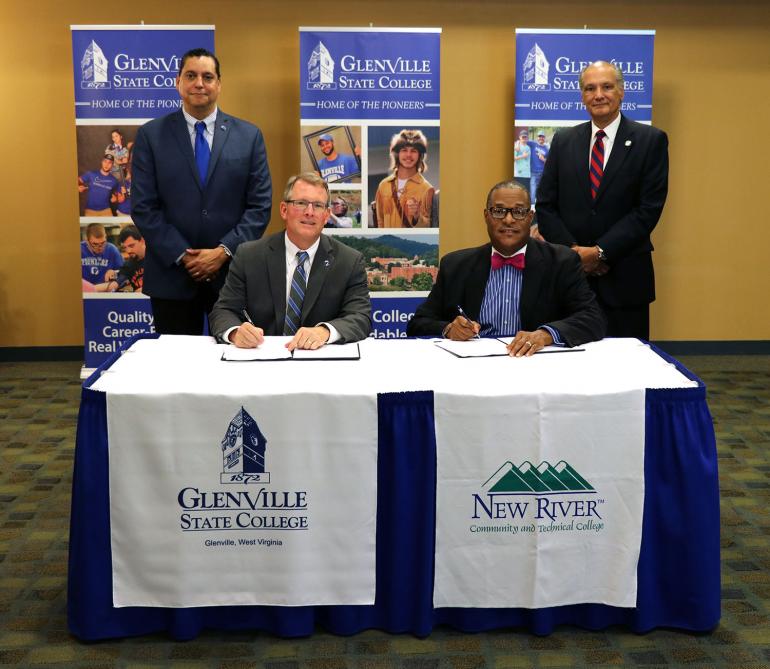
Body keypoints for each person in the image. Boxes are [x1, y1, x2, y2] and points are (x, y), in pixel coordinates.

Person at [131, 47, 272, 335]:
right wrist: (184, 255)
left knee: (235, 365)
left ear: (219, 84)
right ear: (178, 82)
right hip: (172, 275)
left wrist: (222, 252)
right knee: (177, 371)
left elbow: (259, 207)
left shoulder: (249, 136)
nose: (199, 83)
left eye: (208, 77)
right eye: (191, 75)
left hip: (232, 274)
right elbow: (144, 207)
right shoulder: (151, 135)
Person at [536, 60, 668, 340]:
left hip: (624, 279)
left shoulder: (650, 140)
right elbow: (546, 205)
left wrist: (599, 252)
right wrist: (574, 253)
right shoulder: (563, 140)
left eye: (607, 87)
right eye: (590, 88)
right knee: (568, 363)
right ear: (582, 96)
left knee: (626, 368)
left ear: (621, 91)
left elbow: (648, 209)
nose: (598, 95)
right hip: (569, 278)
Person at [406, 180, 605, 355]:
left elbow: (592, 319)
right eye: (499, 211)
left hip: (536, 368)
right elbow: (418, 323)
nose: (508, 220)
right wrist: (449, 329)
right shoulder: (456, 265)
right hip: (472, 371)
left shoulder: (562, 261)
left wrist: (545, 335)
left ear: (530, 217)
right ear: (486, 216)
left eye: (518, 212)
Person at [209, 173, 372, 351]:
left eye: (317, 206)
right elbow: (223, 311)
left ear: (326, 216)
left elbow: (360, 317)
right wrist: (235, 332)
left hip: (320, 364)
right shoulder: (249, 255)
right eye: (301, 203)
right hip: (261, 361)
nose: (309, 212)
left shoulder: (349, 261)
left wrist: (324, 332)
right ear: (284, 210)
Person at [374, 130, 434, 228]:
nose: (408, 155)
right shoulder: (384, 185)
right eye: (404, 150)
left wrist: (417, 216)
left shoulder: (427, 189)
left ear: (420, 156)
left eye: (414, 151)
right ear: (397, 154)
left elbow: (429, 227)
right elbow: (379, 221)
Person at [528, 130, 549, 202]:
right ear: (537, 137)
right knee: (533, 190)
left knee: (541, 190)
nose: (541, 138)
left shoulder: (547, 149)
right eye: (540, 136)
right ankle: (532, 207)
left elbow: (549, 162)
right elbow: (522, 140)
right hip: (533, 172)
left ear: (544, 138)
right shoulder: (533, 144)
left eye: (542, 137)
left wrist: (543, 159)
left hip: (543, 173)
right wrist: (518, 143)